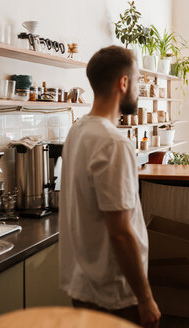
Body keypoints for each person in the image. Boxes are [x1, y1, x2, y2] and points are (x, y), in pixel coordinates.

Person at [59, 45, 161, 328]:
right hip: (113, 292)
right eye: (138, 80)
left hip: (83, 285)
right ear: (124, 83)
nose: (139, 89)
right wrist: (146, 298)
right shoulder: (113, 142)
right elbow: (120, 232)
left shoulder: (77, 131)